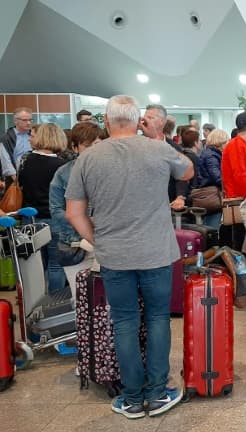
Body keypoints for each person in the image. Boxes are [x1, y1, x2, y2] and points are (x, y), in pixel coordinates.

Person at [65, 94, 193, 419]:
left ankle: (132, 399)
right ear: (139, 121)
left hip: (114, 255)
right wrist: (156, 137)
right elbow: (188, 171)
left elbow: (73, 213)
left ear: (106, 122)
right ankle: (158, 392)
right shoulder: (158, 148)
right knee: (158, 318)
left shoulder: (88, 158)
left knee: (124, 322)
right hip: (156, 252)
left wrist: (98, 239)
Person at [49, 122, 102, 293]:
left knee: (105, 301)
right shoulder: (63, 173)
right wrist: (83, 220)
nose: (94, 150)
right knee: (79, 300)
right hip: (73, 244)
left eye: (98, 145)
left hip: (107, 243)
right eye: (88, 146)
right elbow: (56, 210)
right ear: (75, 146)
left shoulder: (111, 170)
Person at [17, 123, 68, 295]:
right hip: (55, 219)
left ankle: (36, 302)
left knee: (36, 266)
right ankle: (54, 305)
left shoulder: (25, 161)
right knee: (56, 265)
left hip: (29, 220)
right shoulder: (61, 165)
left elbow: (21, 185)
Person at [221, 112, 246, 250]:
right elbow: (241, 175)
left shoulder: (239, 144)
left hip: (242, 199)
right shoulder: (237, 145)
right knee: (243, 243)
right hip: (241, 202)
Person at [195, 129, 228, 228]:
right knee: (211, 227)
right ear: (220, 142)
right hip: (212, 195)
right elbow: (217, 177)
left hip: (208, 193)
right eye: (226, 142)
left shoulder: (209, 153)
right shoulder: (212, 156)